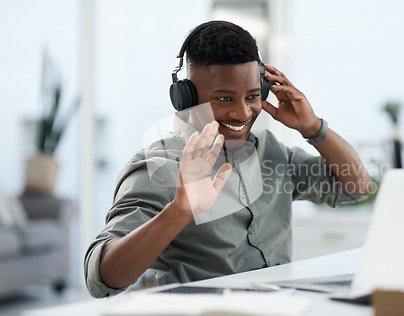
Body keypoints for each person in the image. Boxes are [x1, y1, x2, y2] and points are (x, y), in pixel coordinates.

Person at [84, 21, 373, 298]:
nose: (244, 113)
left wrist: (314, 129)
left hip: (281, 315)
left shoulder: (270, 152)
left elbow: (357, 188)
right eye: (224, 99)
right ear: (185, 97)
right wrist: (179, 211)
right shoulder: (157, 166)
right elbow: (101, 277)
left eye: (252, 96)